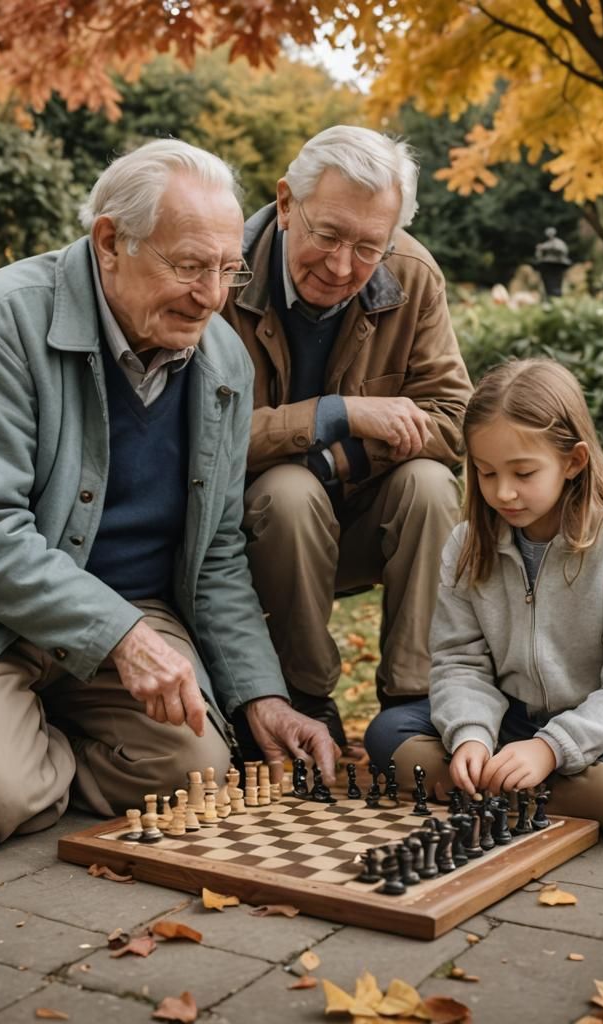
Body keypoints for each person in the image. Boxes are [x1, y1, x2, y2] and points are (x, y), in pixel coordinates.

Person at [0, 140, 337, 851]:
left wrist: (262, 695)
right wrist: (121, 637)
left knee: (197, 771)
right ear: (110, 241)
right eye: (190, 266)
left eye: (229, 270)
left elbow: (219, 554)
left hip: (128, 619)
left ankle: (25, 744)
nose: (212, 296)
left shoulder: (223, 358)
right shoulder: (6, 316)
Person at [222, 125, 473, 750]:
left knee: (429, 483)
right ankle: (303, 696)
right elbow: (201, 439)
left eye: (369, 247)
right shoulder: (222, 274)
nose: (341, 266)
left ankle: (414, 701)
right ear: (285, 203)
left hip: (364, 515)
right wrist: (337, 413)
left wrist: (336, 457)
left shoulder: (412, 275)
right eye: (328, 235)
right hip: (252, 532)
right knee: (288, 490)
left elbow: (453, 418)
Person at [364, 358, 603, 832]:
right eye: (486, 473)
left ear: (573, 461)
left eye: (523, 473)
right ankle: (510, 784)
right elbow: (460, 663)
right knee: (386, 732)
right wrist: (471, 737)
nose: (503, 492)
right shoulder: (466, 544)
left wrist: (549, 748)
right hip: (512, 719)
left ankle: (499, 786)